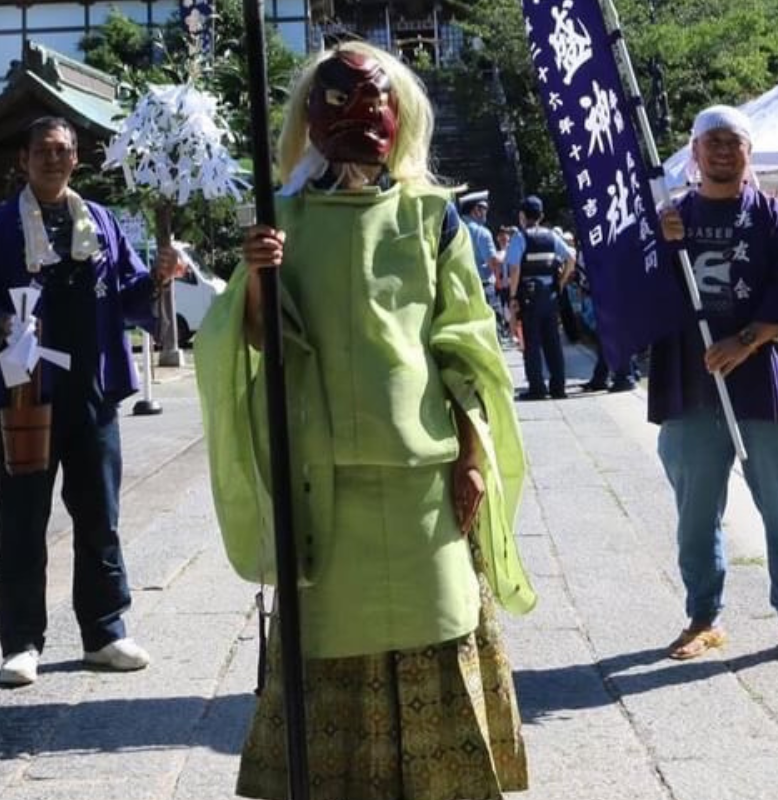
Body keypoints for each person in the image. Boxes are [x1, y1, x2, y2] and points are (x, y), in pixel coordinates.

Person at [194, 42, 535, 800]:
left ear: (399, 114)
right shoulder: (279, 219)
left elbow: (464, 344)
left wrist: (472, 455)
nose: (358, 116)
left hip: (421, 477)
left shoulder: (433, 217)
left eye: (374, 102)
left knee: (438, 626)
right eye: (337, 102)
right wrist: (257, 277)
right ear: (309, 119)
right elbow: (258, 339)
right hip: (320, 479)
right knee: (326, 640)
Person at [0, 116, 185, 686]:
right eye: (42, 151)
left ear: (76, 159)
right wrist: (1, 323)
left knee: (100, 516)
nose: (53, 159)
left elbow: (130, 293)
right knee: (22, 520)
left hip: (92, 390)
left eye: (63, 151)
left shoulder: (101, 222)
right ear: (24, 160)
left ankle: (105, 631)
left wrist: (159, 277)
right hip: (26, 395)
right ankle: (21, 643)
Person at [653, 105, 778, 667]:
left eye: (734, 142)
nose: (724, 151)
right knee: (695, 512)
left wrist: (745, 341)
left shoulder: (774, 217)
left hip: (765, 384)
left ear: (749, 151)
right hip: (693, 384)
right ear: (695, 151)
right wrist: (660, 242)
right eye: (713, 142)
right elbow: (641, 289)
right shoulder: (673, 217)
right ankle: (704, 617)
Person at [505, 196, 576, 399]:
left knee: (532, 343)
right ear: (541, 216)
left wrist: (513, 296)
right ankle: (558, 387)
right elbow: (571, 257)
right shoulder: (552, 237)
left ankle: (537, 388)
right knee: (553, 342)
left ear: (522, 216)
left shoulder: (520, 238)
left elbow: (515, 269)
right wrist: (561, 282)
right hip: (550, 295)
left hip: (530, 297)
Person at [459, 189, 498, 310]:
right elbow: (494, 263)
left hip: (458, 290)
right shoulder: (482, 232)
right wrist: (503, 255)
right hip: (482, 288)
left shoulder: (454, 229)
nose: (486, 212)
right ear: (476, 210)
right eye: (485, 208)